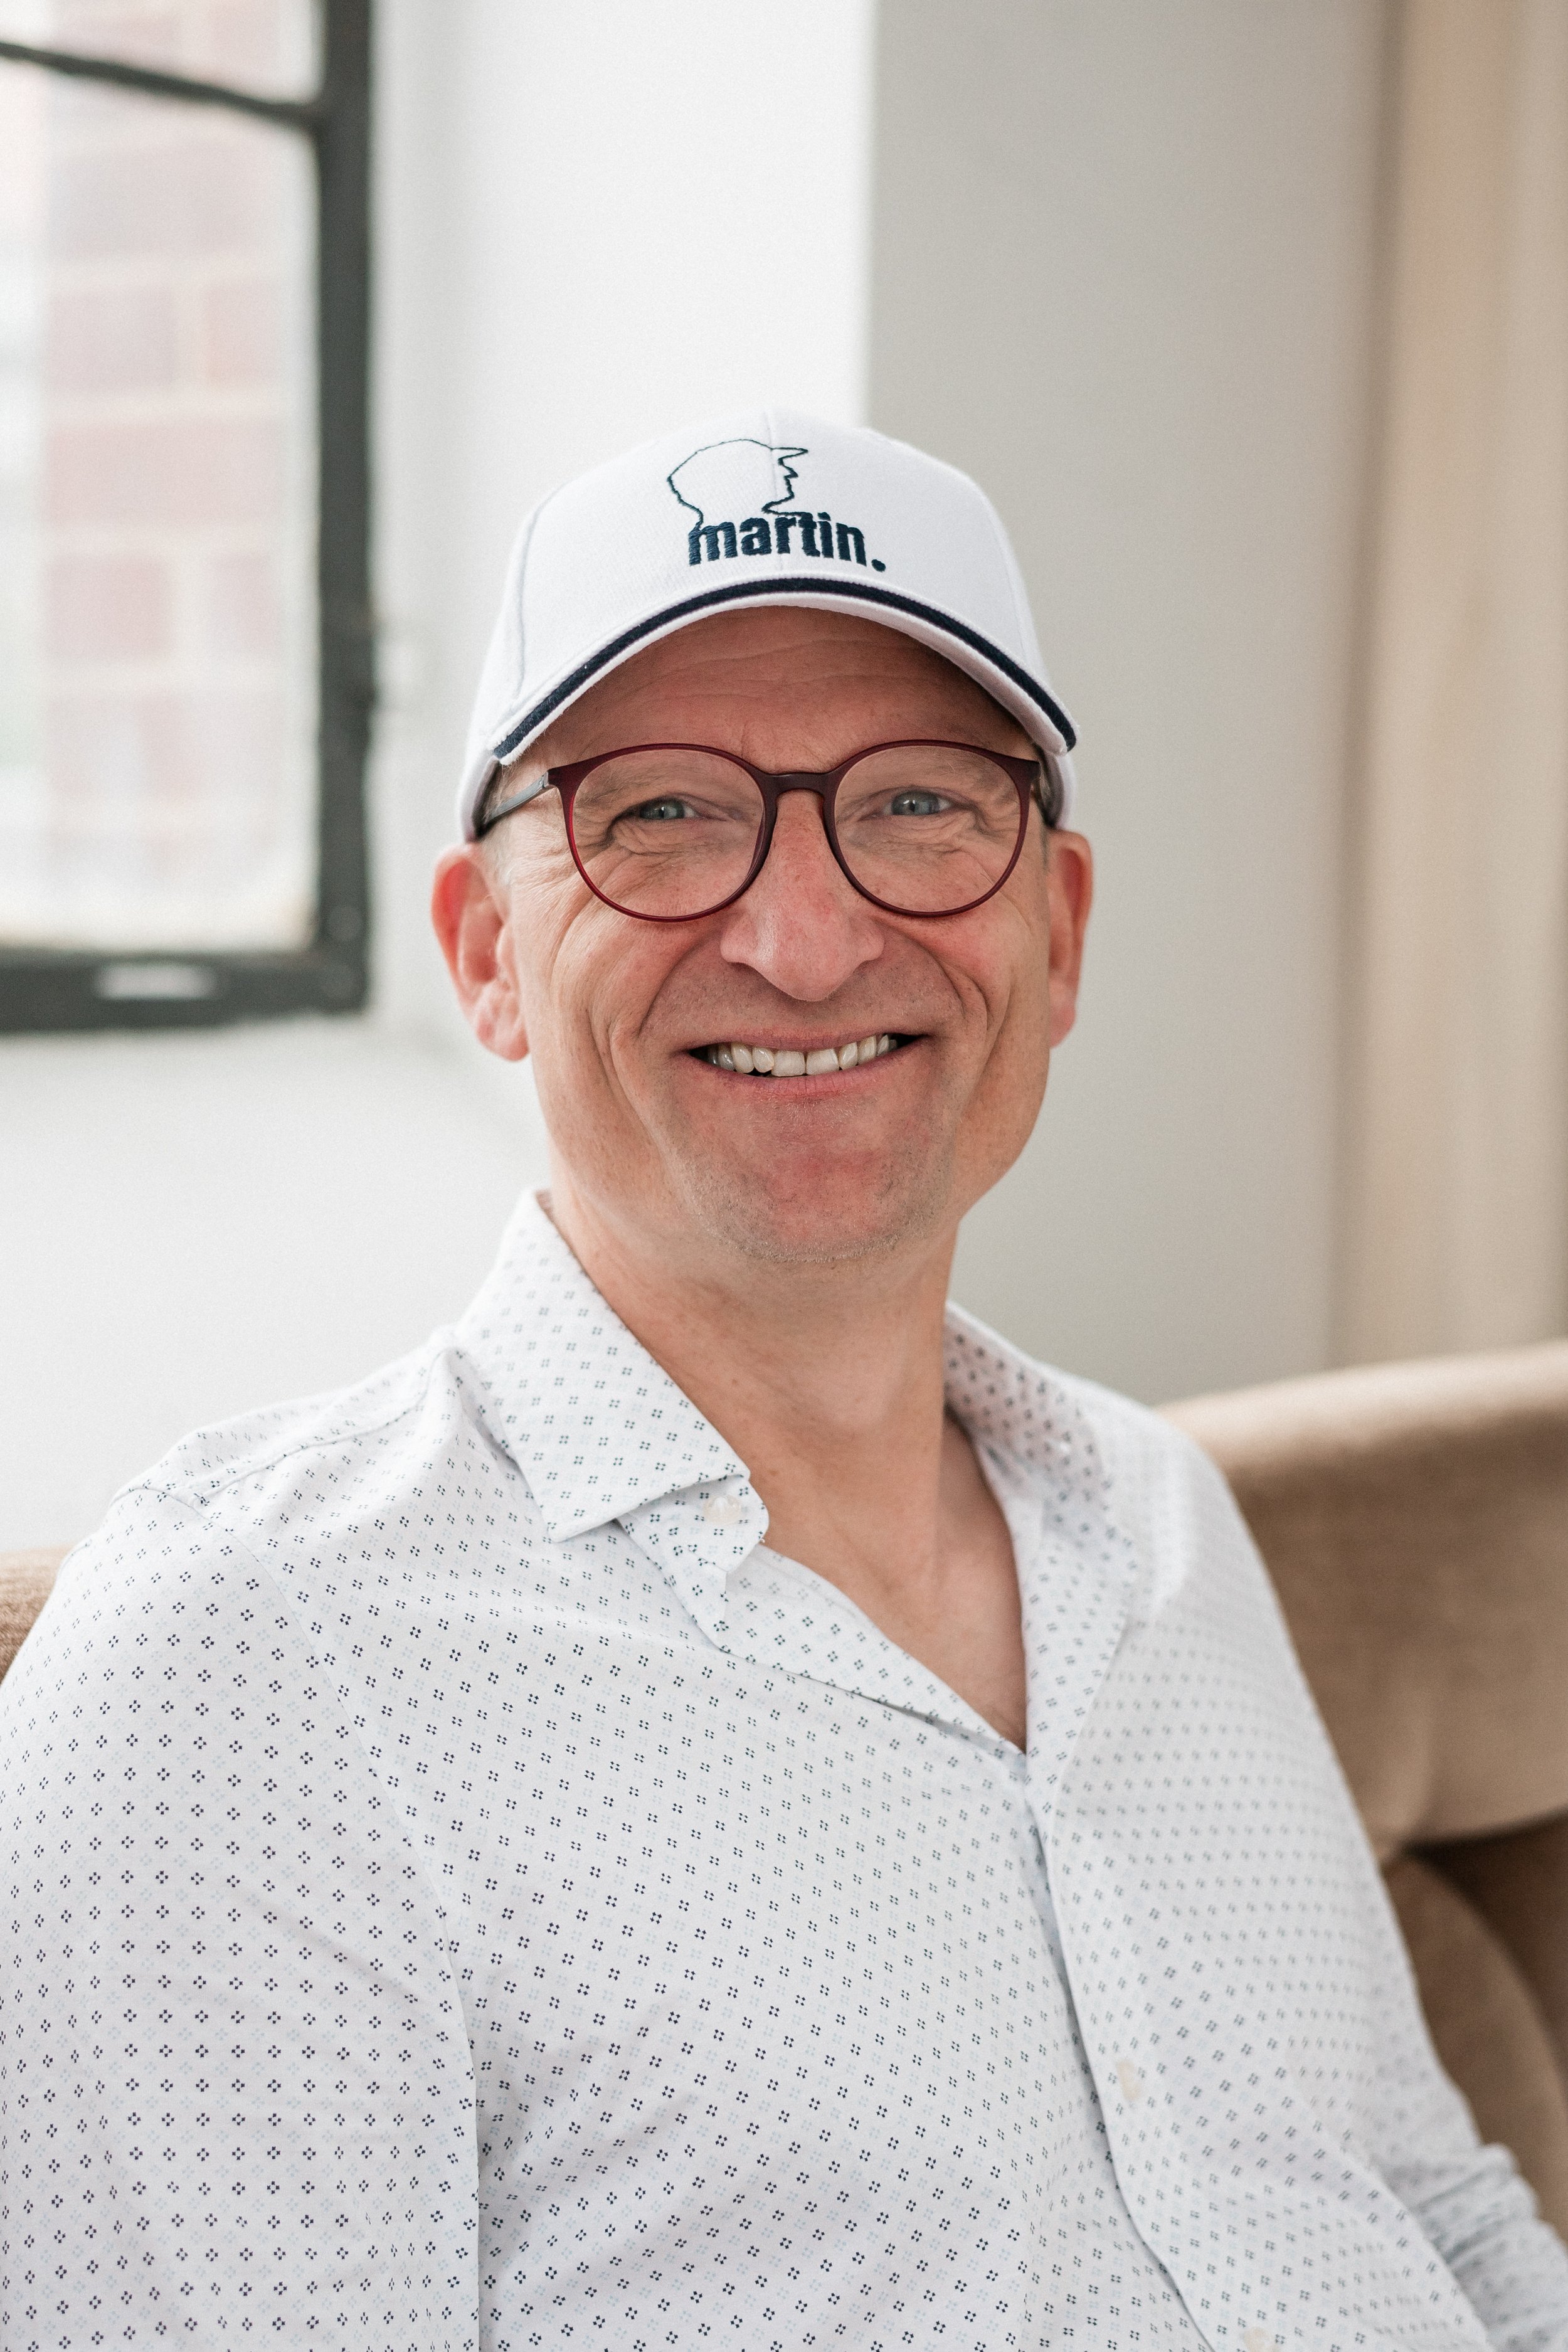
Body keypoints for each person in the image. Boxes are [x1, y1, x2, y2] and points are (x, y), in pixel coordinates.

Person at [3, 413, 1564, 2352]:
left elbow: (1427, 2209)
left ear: (1054, 936)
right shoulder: (247, 1657)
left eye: (919, 805)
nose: (809, 937)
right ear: (485, 952)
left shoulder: (1158, 1519)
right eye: (656, 813)